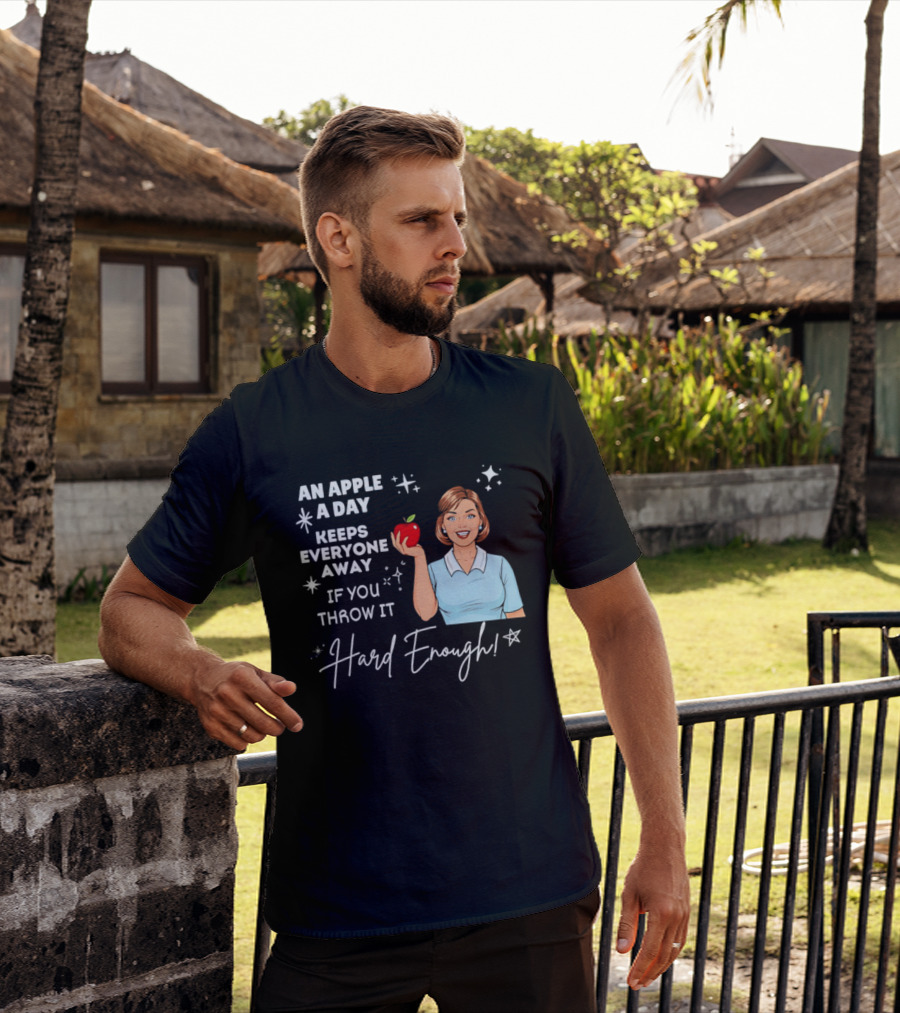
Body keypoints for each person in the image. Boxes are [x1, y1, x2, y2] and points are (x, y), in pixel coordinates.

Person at [99, 105, 689, 1013]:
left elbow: (620, 620)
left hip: (528, 892)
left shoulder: (530, 405)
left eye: (456, 216)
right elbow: (127, 609)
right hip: (337, 910)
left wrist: (664, 834)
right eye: (421, 220)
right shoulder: (256, 432)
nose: (454, 242)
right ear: (338, 237)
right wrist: (199, 670)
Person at [391, 485, 525, 624]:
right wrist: (419, 557)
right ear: (442, 525)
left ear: (481, 520)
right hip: (453, 646)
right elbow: (425, 614)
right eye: (452, 518)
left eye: (470, 516)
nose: (461, 525)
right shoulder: (433, 570)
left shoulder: (500, 564)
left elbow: (516, 615)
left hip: (501, 643)